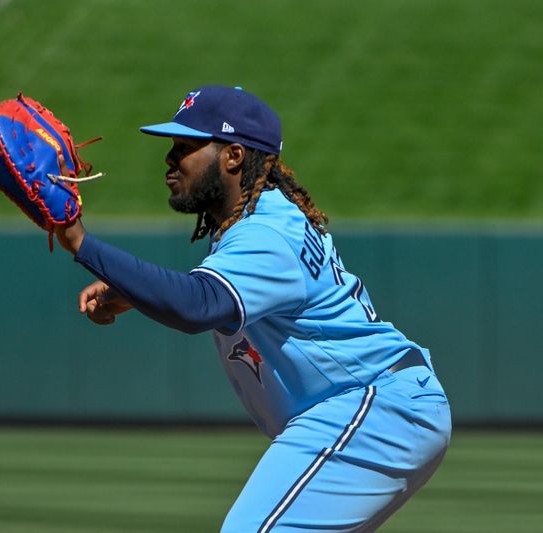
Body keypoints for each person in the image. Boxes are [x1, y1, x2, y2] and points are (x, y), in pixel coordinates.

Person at [53, 85, 451, 532]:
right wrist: (135, 289)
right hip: (380, 406)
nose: (170, 159)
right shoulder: (259, 223)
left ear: (234, 156)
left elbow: (197, 306)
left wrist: (80, 242)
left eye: (185, 147)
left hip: (372, 406)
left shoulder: (267, 231)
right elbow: (204, 294)